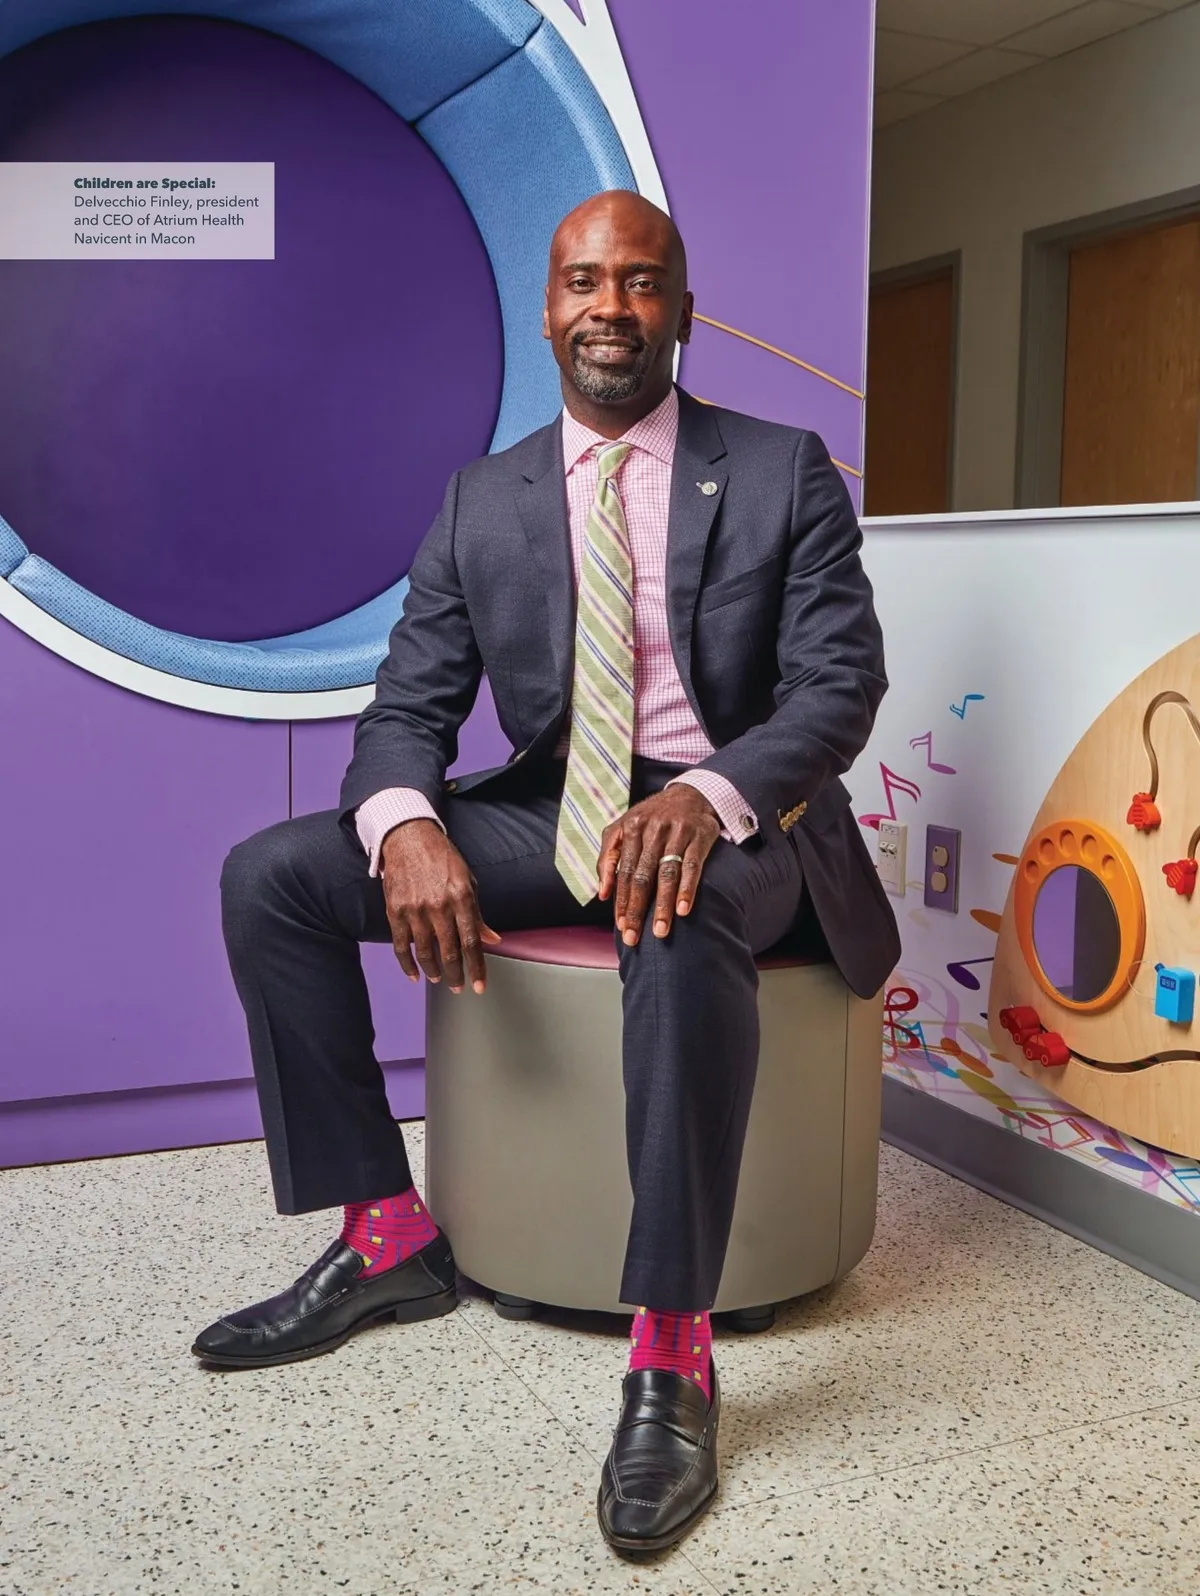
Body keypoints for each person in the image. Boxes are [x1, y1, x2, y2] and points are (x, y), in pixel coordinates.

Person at [197, 189, 900, 1554]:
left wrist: (703, 796)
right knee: (271, 877)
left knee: (671, 899)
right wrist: (405, 823)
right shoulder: (486, 498)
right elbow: (408, 704)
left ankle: (672, 1348)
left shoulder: (781, 469)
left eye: (639, 282)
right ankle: (388, 1235)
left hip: (738, 822)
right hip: (558, 809)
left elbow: (836, 686)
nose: (610, 308)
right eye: (584, 281)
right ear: (549, 310)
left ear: (683, 311)